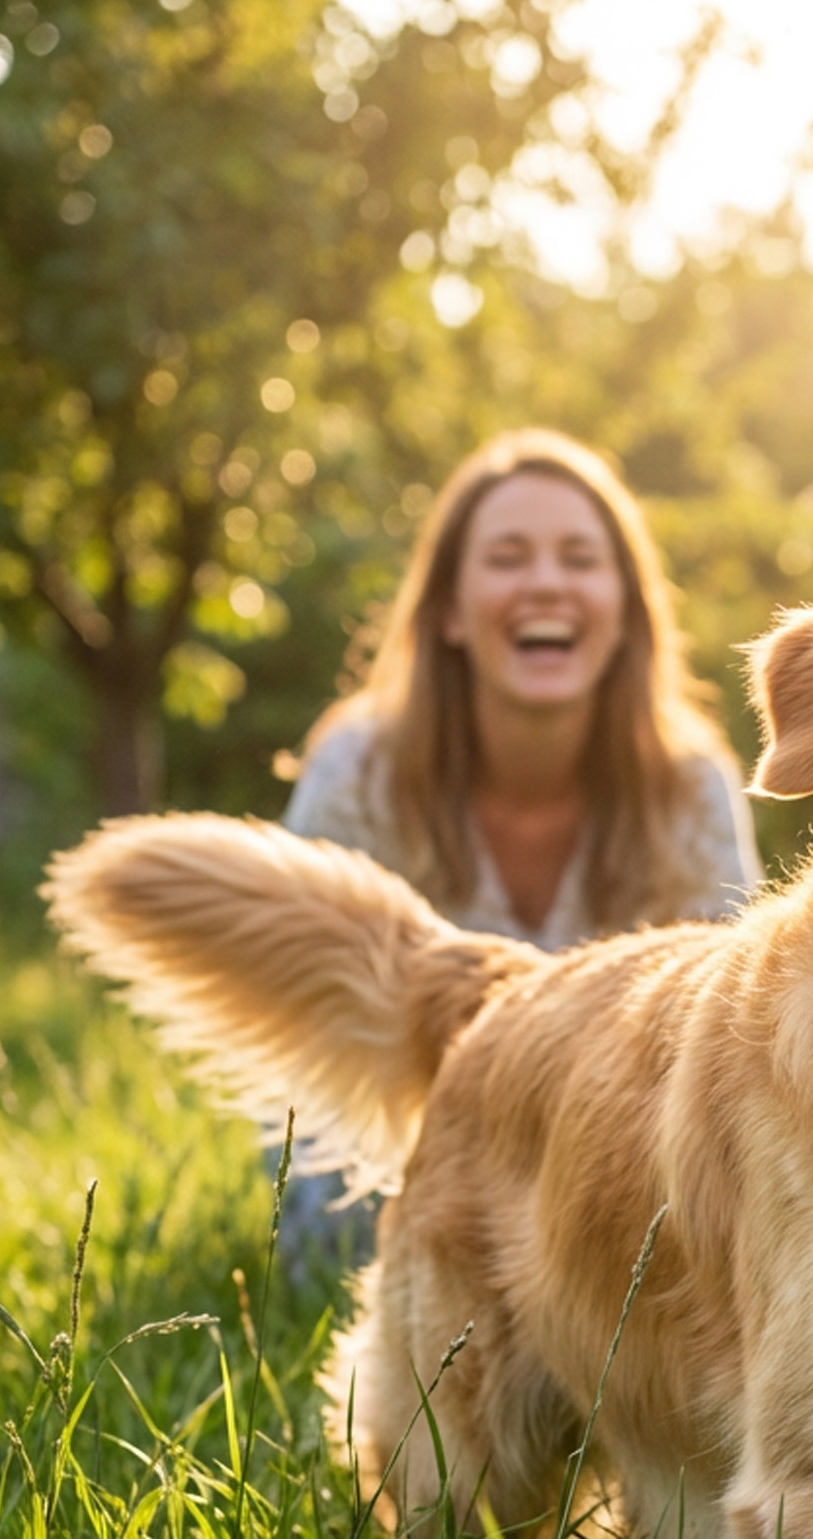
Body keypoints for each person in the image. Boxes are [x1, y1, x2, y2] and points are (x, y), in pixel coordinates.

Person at [275, 427, 763, 1264]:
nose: (545, 582)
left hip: (613, 1166)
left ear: (625, 611)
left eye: (580, 558)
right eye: (507, 557)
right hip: (389, 1144)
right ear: (449, 612)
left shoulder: (691, 787)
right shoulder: (357, 771)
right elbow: (298, 1032)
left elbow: (731, 1044)